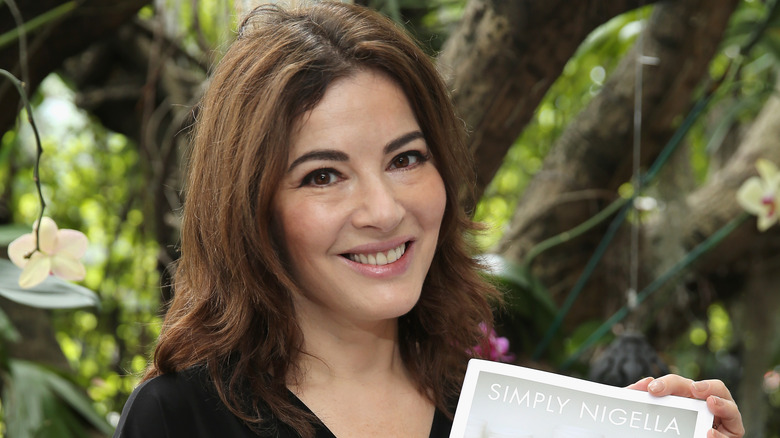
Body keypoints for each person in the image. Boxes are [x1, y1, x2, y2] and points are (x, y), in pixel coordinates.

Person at [113, 2, 745, 438]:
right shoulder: (181, 417)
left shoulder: (508, 413)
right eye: (323, 175)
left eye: (406, 159)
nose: (386, 210)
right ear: (250, 211)